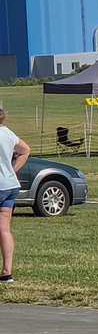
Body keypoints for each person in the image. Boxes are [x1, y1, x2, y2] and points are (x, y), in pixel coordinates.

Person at [0, 109, 30, 284]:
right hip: (10, 185)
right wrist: (12, 170)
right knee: (4, 229)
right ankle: (6, 272)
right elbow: (25, 150)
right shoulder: (8, 133)